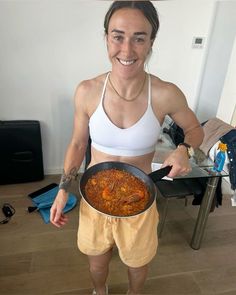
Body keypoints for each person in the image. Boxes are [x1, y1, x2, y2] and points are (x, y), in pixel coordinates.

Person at [50, 1, 204, 294]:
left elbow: (195, 129)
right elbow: (78, 142)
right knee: (96, 264)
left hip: (140, 201)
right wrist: (61, 189)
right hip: (94, 199)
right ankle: (101, 291)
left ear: (151, 43)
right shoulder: (87, 91)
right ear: (106, 37)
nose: (127, 49)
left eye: (139, 38)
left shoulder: (164, 93)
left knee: (137, 264)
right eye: (118, 36)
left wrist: (184, 148)